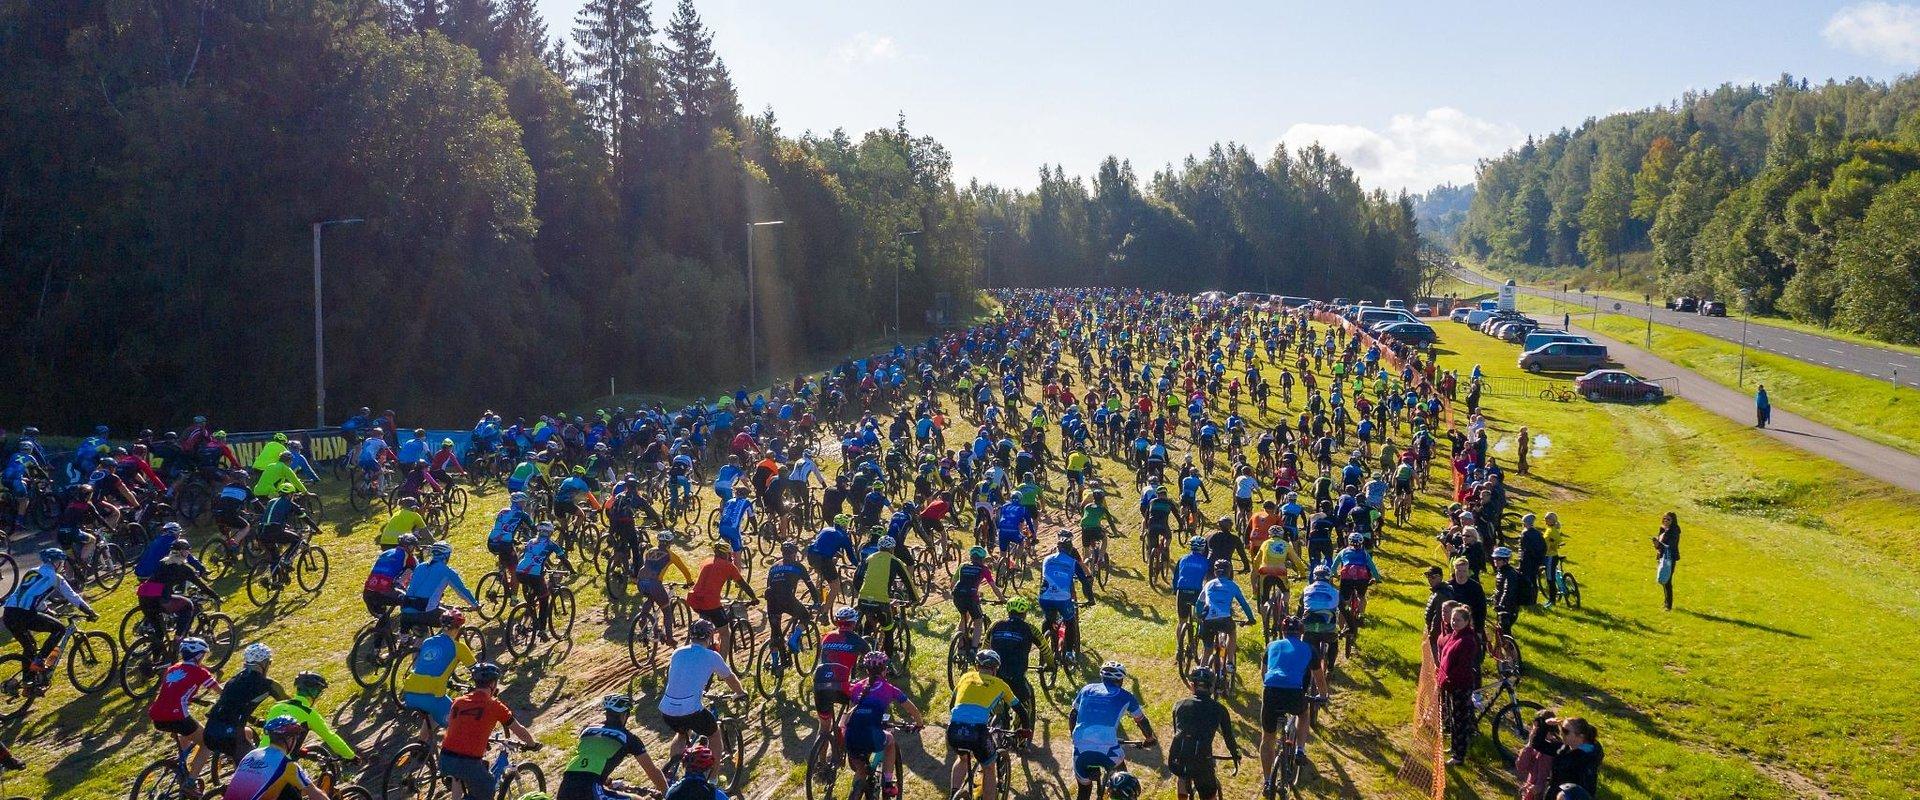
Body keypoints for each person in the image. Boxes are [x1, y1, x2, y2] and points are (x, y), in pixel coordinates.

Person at [438, 662, 541, 800]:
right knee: (487, 789)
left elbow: (457, 726)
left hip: (445, 758)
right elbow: (518, 729)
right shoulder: (494, 706)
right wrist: (532, 744)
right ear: (493, 684)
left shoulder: (458, 701)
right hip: (467, 761)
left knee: (460, 779)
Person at [658, 619, 748, 773]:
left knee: (681, 734)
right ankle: (713, 777)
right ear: (709, 637)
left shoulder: (677, 652)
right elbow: (729, 677)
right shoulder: (712, 656)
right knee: (714, 736)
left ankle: (670, 773)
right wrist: (740, 692)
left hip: (667, 709)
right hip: (690, 710)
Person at [1069, 661, 1156, 800]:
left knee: (1083, 792)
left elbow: (1073, 714)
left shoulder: (1086, 689)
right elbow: (1141, 721)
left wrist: (1074, 738)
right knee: (1123, 784)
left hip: (1080, 749)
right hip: (1108, 750)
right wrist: (1150, 738)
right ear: (1120, 680)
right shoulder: (1126, 696)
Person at [557, 694, 669, 800]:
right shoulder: (629, 738)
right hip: (589, 790)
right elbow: (653, 772)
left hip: (564, 788)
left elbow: (590, 761)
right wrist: (669, 794)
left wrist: (608, 782)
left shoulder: (586, 730)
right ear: (625, 715)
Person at [148, 637, 222, 790]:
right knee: (208, 742)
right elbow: (219, 691)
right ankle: (191, 781)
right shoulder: (200, 672)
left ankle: (181, 766)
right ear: (198, 655)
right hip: (177, 716)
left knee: (185, 735)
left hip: (157, 716)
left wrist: (191, 698)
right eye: (203, 655)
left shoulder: (172, 668)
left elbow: (173, 691)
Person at [4, 548, 97, 668]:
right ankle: (40, 660)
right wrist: (89, 611)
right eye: (61, 562)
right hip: (25, 614)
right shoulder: (56, 577)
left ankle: (29, 681)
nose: (63, 565)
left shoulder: (32, 571)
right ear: (55, 562)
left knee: (30, 647)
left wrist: (47, 611)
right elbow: (72, 597)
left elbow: (32, 594)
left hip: (9, 612)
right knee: (60, 629)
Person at [947, 650, 1018, 800]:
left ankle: (953, 795)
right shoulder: (1001, 684)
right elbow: (1020, 710)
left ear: (977, 667)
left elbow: (951, 705)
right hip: (977, 733)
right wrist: (1025, 728)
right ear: (994, 669)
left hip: (953, 729)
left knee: (962, 759)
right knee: (989, 768)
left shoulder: (965, 677)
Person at [203, 643, 287, 762]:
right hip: (231, 736)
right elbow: (289, 704)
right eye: (269, 662)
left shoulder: (233, 680)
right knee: (258, 766)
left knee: (242, 760)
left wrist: (254, 720)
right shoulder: (268, 685)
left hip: (209, 733)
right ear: (264, 663)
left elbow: (233, 707)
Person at [1166, 666, 1240, 800]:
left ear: (1192, 685)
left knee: (1183, 775)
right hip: (1202, 760)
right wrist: (1235, 755)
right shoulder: (1219, 709)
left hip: (1177, 759)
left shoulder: (1179, 705)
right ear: (1212, 687)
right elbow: (1229, 737)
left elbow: (1177, 731)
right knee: (1209, 794)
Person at [219, 715, 330, 800]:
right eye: (296, 737)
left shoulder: (251, 755)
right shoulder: (287, 765)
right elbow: (315, 794)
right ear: (290, 739)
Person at [401, 609, 476, 729]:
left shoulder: (427, 641)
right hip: (433, 695)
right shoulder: (459, 648)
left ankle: (422, 745)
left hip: (410, 692)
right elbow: (477, 671)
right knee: (460, 727)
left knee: (433, 716)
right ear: (458, 627)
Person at [987, 596, 1049, 738]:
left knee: (993, 705)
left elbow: (985, 646)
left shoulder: (995, 625)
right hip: (1016, 676)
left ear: (1008, 611)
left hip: (995, 674)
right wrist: (1050, 665)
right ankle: (1020, 737)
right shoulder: (1030, 629)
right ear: (1025, 613)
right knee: (1024, 705)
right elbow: (1045, 648)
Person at [1261, 616, 1316, 775]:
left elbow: (1264, 673)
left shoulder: (1271, 646)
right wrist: (1324, 694)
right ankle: (1300, 749)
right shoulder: (1308, 648)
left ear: (1283, 632)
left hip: (1271, 691)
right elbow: (1318, 677)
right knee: (1304, 714)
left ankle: (1267, 780)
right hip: (1294, 692)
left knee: (1267, 738)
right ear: (1301, 633)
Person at [264, 671, 356, 763]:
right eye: (320, 693)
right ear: (314, 692)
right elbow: (330, 737)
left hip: (260, 755)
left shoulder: (275, 707)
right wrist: (351, 756)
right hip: (280, 764)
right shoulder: (309, 714)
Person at [687, 544, 758, 660]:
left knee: (707, 625)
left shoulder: (706, 561)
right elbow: (742, 584)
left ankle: (708, 644)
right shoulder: (729, 566)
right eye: (730, 555)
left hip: (695, 600)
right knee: (725, 633)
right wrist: (754, 598)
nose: (731, 557)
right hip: (711, 602)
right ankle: (721, 667)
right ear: (726, 554)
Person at [1038, 534, 1095, 661]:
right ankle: (1069, 652)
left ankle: (1048, 644)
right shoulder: (1073, 562)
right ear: (1070, 550)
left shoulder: (1046, 559)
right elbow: (1084, 582)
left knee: (1048, 619)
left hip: (1044, 597)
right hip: (1062, 598)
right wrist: (1090, 598)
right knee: (1070, 622)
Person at [1192, 560, 1254, 675]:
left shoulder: (1209, 584)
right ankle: (1230, 662)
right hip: (1224, 620)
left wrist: (1199, 615)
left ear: (1215, 572)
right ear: (1229, 572)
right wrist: (1251, 619)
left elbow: (1199, 603)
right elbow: (1244, 604)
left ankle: (1201, 672)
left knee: (1208, 649)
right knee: (1232, 633)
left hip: (1208, 620)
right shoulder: (1232, 585)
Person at [1437, 606, 1482, 766]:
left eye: (1458, 620)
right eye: (1453, 619)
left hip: (1460, 686)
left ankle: (1459, 755)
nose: (1454, 623)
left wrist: (1449, 680)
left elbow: (1462, 667)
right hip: (1450, 685)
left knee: (1460, 721)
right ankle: (1455, 747)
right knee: (1454, 719)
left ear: (1467, 621)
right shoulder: (1455, 635)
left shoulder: (1467, 640)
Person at [401, 542, 480, 631]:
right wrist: (475, 605)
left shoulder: (420, 566)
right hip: (426, 611)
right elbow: (461, 591)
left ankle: (406, 642)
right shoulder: (447, 571)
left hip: (405, 610)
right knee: (453, 622)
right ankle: (443, 643)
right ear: (446, 556)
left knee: (417, 638)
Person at [812, 607, 870, 727]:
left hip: (820, 685)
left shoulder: (827, 637)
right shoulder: (858, 641)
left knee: (823, 728)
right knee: (864, 700)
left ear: (837, 622)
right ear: (854, 623)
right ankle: (844, 727)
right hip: (840, 687)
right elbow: (872, 662)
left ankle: (822, 739)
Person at [515, 522, 572, 638]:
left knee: (533, 595)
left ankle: (529, 612)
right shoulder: (551, 544)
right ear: (550, 533)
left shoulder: (530, 542)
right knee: (544, 599)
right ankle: (542, 629)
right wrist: (572, 570)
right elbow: (563, 559)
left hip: (520, 572)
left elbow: (531, 558)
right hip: (535, 575)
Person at [1297, 566, 1340, 696]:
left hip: (1309, 629)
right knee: (1333, 642)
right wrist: (1352, 627)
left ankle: (1303, 690)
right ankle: (1330, 668)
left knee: (1308, 658)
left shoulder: (1306, 590)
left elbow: (1300, 611)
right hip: (1328, 629)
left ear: (1314, 576)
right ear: (1329, 578)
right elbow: (1344, 611)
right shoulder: (1334, 592)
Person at [1547, 717, 1602, 796]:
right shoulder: (1565, 748)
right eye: (1562, 729)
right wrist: (1545, 724)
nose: (1561, 733)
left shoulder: (1586, 758)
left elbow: (1587, 788)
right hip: (1555, 793)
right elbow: (1538, 744)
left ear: (1580, 736)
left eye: (1565, 731)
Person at [1654, 511, 1680, 611]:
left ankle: (1668, 606)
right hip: (1662, 557)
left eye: (1668, 519)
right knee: (1664, 581)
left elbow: (1670, 545)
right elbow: (1660, 544)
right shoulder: (1663, 529)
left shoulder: (1674, 531)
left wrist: (1659, 543)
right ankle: (1666, 603)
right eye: (1664, 519)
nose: (1665, 521)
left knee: (1667, 581)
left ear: (1673, 521)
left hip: (1670, 558)